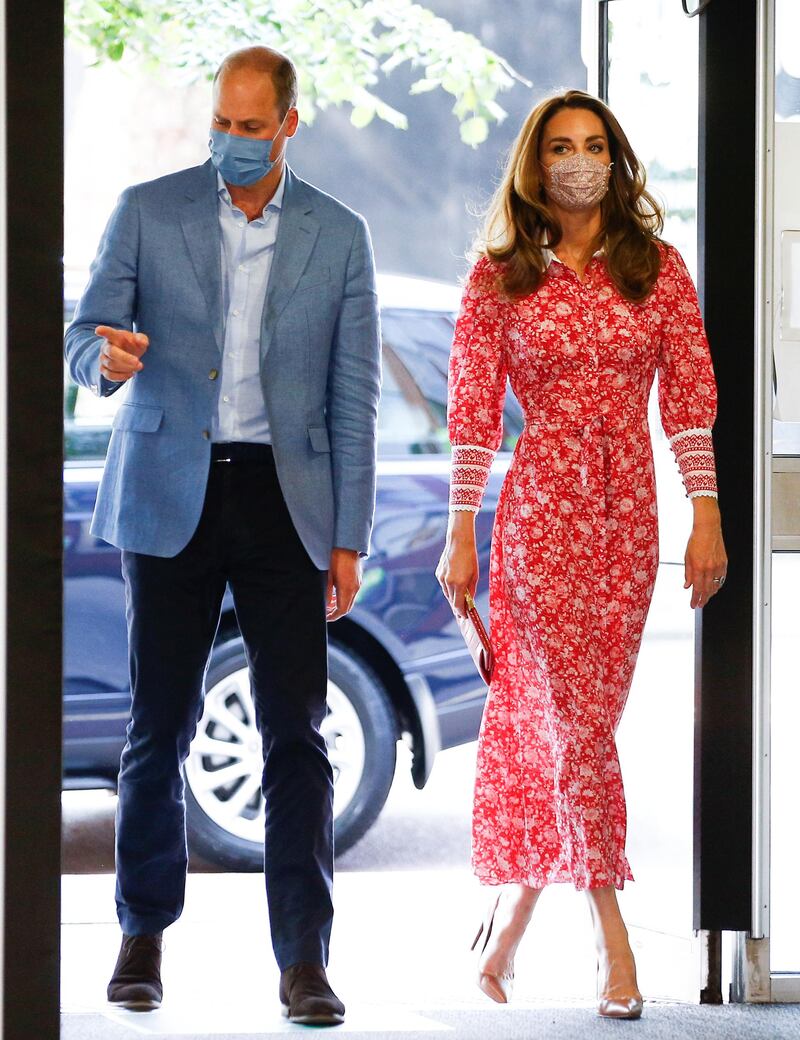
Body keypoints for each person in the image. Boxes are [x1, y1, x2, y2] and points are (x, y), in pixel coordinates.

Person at [65, 45, 381, 1027]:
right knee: (157, 726)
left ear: (288, 124)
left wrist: (349, 535)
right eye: (223, 123)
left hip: (286, 503)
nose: (232, 142)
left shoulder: (339, 234)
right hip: (168, 491)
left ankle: (303, 960)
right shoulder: (147, 208)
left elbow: (353, 397)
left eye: (252, 127)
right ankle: (141, 935)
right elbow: (83, 336)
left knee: (297, 734)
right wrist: (105, 357)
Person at [436, 89, 727, 1020]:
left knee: (583, 723)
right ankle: (615, 942)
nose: (577, 160)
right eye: (559, 146)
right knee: (576, 724)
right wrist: (461, 532)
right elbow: (475, 412)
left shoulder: (660, 270)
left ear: (617, 158)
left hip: (629, 518)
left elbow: (689, 397)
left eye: (593, 145)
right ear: (534, 164)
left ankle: (511, 924)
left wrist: (706, 513)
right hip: (539, 519)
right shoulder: (498, 278)